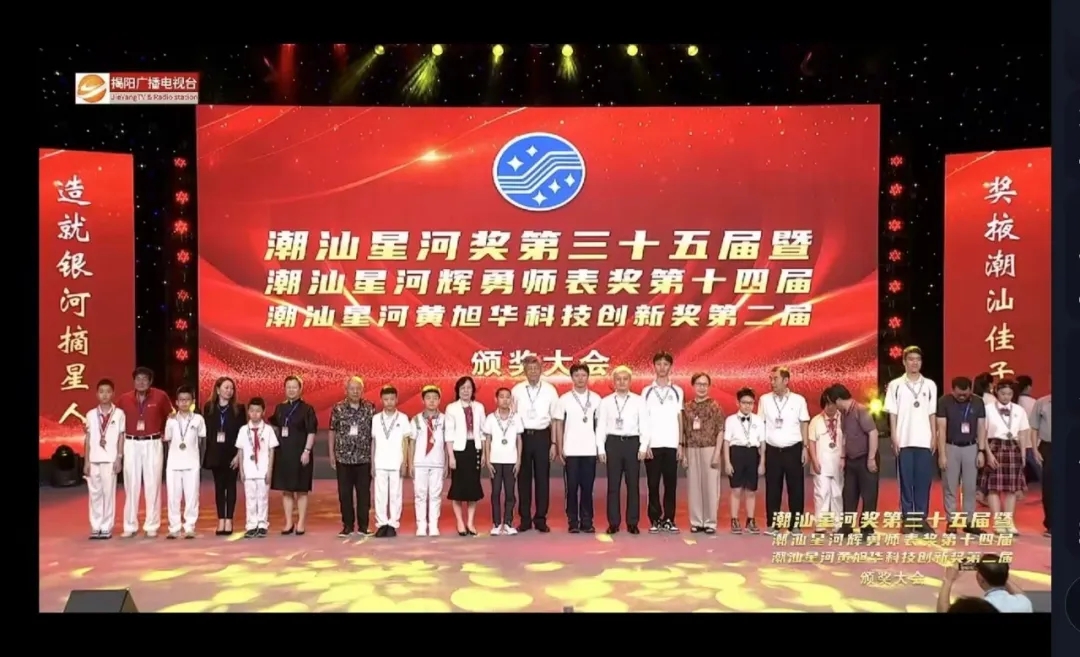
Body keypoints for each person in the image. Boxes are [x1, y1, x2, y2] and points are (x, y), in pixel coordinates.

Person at [884, 346, 938, 533]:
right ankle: (907, 519)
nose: (915, 363)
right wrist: (894, 436)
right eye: (911, 359)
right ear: (904, 362)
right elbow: (892, 413)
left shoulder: (930, 385)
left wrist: (934, 436)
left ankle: (921, 519)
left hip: (924, 439)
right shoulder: (895, 385)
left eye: (918, 359)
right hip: (904, 439)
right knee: (906, 482)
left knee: (923, 482)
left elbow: (932, 412)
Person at [116, 366, 173, 538]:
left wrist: (166, 435)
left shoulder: (160, 396)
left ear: (150, 381)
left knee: (153, 484)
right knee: (131, 484)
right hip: (131, 442)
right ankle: (130, 525)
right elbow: (115, 420)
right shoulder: (124, 399)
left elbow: (170, 417)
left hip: (152, 442)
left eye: (144, 379)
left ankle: (151, 525)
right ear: (134, 381)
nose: (141, 382)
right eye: (138, 379)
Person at [981, 379, 1038, 535]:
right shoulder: (988, 409)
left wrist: (1023, 454)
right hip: (994, 446)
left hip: (1013, 448)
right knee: (993, 488)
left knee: (1012, 489)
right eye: (1003, 393)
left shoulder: (1019, 410)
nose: (1006, 397)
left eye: (1009, 394)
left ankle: (1008, 522)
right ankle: (998, 523)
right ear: (996, 392)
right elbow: (982, 434)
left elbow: (1023, 432)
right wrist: (988, 454)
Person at [510, 355, 560, 533]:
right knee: (523, 479)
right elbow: (511, 417)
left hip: (542, 436)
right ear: (524, 371)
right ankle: (524, 519)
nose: (533, 372)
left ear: (541, 370)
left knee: (542, 478)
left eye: (535, 368)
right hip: (522, 436)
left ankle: (540, 519)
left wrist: (554, 443)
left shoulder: (550, 390)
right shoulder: (516, 390)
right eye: (529, 369)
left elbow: (555, 419)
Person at [759, 366, 810, 535]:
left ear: (786, 380)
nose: (772, 382)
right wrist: (762, 452)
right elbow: (761, 425)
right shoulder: (764, 400)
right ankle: (773, 525)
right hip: (772, 449)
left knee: (796, 488)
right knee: (773, 488)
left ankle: (795, 525)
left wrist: (805, 448)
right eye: (771, 379)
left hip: (793, 449)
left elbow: (804, 423)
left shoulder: (799, 400)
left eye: (775, 379)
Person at [598, 366, 649, 534]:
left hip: (632, 443)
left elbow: (645, 425)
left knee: (633, 485)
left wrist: (643, 446)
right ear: (613, 382)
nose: (621, 382)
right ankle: (613, 522)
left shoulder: (639, 401)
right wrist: (601, 448)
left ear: (630, 381)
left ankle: (632, 522)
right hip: (613, 443)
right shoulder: (605, 402)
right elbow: (601, 426)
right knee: (613, 485)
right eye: (618, 379)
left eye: (625, 379)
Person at [935, 377, 987, 535]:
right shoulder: (944, 401)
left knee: (970, 487)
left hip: (971, 447)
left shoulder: (978, 402)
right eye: (959, 394)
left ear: (970, 390)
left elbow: (981, 427)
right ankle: (951, 521)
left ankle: (969, 521)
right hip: (950, 447)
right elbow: (941, 429)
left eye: (966, 393)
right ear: (953, 390)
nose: (962, 396)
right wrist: (942, 454)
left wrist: (981, 451)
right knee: (950, 486)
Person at [554, 363, 602, 533]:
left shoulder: (596, 399)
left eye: (583, 375)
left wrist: (599, 448)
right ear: (572, 378)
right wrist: (560, 447)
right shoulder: (564, 399)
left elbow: (600, 425)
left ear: (588, 377)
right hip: (571, 450)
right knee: (572, 488)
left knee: (588, 488)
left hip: (589, 450)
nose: (580, 379)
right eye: (577, 375)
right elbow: (558, 424)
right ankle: (573, 521)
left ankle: (587, 521)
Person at [828, 384, 880, 537]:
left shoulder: (860, 410)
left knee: (868, 495)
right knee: (849, 494)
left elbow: (873, 433)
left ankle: (867, 529)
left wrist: (871, 458)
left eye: (832, 402)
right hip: (851, 459)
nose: (833, 406)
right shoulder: (844, 414)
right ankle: (847, 527)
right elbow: (845, 436)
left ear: (838, 400)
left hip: (866, 457)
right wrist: (843, 456)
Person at [641, 351, 684, 533]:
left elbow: (680, 417)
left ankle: (669, 518)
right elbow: (643, 419)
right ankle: (655, 518)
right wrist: (645, 444)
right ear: (654, 366)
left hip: (671, 444)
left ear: (670, 367)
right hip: (653, 445)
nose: (662, 367)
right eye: (659, 364)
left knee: (670, 484)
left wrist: (680, 443)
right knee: (652, 484)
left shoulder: (677, 391)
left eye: (665, 364)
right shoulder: (646, 391)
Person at [269, 375, 318, 535]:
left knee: (301, 489)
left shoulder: (307, 409)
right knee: (286, 490)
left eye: (294, 387)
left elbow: (311, 432)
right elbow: (275, 427)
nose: (291, 390)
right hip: (283, 453)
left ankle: (301, 522)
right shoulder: (280, 408)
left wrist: (307, 451)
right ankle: (288, 522)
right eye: (288, 387)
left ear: (300, 389)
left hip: (301, 453)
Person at [328, 376, 375, 537]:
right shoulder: (338, 408)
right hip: (343, 458)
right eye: (352, 388)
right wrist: (331, 453)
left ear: (362, 390)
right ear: (346, 390)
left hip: (364, 458)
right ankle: (347, 525)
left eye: (358, 389)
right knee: (345, 494)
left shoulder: (370, 407)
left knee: (364, 494)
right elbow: (332, 430)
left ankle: (363, 526)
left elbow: (374, 434)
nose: (355, 391)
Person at [683, 373, 725, 534]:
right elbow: (684, 431)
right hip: (692, 449)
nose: (702, 387)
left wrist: (717, 453)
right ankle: (696, 521)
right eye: (699, 384)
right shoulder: (687, 407)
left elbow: (720, 430)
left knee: (710, 487)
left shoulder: (715, 406)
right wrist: (684, 453)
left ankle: (710, 522)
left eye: (705, 384)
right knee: (694, 487)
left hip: (710, 448)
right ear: (693, 386)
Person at [83, 379, 125, 540]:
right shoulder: (90, 414)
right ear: (97, 394)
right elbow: (88, 439)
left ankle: (106, 526)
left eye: (108, 391)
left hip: (110, 460)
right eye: (101, 392)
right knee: (95, 494)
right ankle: (96, 526)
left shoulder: (119, 414)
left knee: (108, 494)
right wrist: (86, 461)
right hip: (94, 459)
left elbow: (121, 437)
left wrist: (119, 458)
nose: (105, 395)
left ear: (113, 393)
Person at [163, 386, 206, 539]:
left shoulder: (198, 419)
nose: (184, 403)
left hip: (192, 463)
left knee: (192, 496)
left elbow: (201, 441)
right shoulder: (171, 420)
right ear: (176, 402)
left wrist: (198, 460)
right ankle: (174, 527)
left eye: (187, 400)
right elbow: (168, 441)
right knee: (173, 497)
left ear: (193, 401)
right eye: (181, 400)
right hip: (174, 464)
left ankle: (189, 526)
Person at [202, 377, 243, 536]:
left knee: (231, 486)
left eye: (231, 388)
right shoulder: (209, 408)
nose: (229, 391)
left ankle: (229, 520)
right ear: (218, 390)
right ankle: (221, 519)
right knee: (219, 487)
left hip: (232, 453)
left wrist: (238, 455)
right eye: (226, 388)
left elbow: (242, 433)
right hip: (216, 453)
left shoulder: (239, 409)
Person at [445, 376, 486, 535]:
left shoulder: (479, 407)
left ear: (473, 390)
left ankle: (470, 522)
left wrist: (483, 453)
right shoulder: (451, 408)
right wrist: (451, 456)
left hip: (474, 449)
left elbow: (482, 432)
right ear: (458, 390)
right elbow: (449, 434)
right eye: (462, 388)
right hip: (459, 451)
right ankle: (460, 522)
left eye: (469, 388)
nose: (466, 391)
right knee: (458, 488)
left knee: (472, 488)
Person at [722, 387, 764, 535]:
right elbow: (726, 442)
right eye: (744, 403)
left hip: (752, 453)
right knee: (736, 489)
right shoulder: (730, 420)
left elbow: (762, 443)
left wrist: (762, 462)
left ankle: (750, 520)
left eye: (750, 403)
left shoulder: (758, 420)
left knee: (751, 490)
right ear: (738, 403)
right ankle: (734, 519)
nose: (747, 406)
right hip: (736, 453)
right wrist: (727, 462)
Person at [484, 387, 525, 535]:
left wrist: (518, 460)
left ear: (511, 400)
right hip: (495, 460)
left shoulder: (516, 418)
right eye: (502, 397)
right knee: (495, 492)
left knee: (510, 493)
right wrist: (487, 460)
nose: (505, 400)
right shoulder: (490, 418)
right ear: (496, 399)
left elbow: (519, 440)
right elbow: (487, 440)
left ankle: (508, 522)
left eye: (508, 397)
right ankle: (496, 524)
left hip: (511, 460)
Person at [371, 385, 410, 538]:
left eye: (392, 399)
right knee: (380, 495)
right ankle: (381, 523)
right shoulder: (376, 419)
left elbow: (406, 441)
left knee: (395, 495)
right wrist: (372, 463)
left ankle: (393, 523)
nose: (389, 402)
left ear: (396, 400)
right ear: (381, 400)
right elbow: (374, 441)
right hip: (380, 462)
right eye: (386, 399)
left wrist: (405, 462)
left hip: (396, 462)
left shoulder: (403, 418)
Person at [236, 397, 278, 538]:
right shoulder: (243, 430)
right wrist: (241, 471)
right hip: (248, 470)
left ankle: (262, 524)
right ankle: (251, 525)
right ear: (248, 412)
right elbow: (240, 450)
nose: (254, 414)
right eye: (252, 411)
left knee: (263, 498)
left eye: (258, 411)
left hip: (263, 469)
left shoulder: (268, 430)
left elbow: (272, 451)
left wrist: (270, 470)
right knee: (250, 499)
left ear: (263, 412)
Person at [410, 385, 447, 536]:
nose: (432, 401)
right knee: (420, 495)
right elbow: (412, 442)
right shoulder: (416, 419)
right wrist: (410, 463)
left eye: (435, 398)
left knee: (435, 495)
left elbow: (447, 443)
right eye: (428, 398)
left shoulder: (445, 419)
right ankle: (421, 525)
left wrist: (446, 463)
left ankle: (433, 525)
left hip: (438, 462)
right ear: (423, 400)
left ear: (439, 400)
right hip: (420, 462)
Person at [935, 557, 1033, 613]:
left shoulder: (980, 608)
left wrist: (948, 580)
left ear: (981, 579)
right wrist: (1000, 573)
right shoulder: (1023, 602)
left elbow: (944, 611)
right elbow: (1021, 595)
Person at [808, 391, 844, 532]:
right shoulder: (816, 421)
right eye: (827, 404)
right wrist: (814, 460)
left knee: (837, 494)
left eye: (832, 403)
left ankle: (837, 525)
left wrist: (844, 458)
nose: (830, 407)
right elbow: (811, 442)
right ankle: (821, 525)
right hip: (821, 462)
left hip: (838, 463)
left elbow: (847, 440)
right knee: (821, 493)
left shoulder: (843, 418)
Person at [1029, 394, 1051, 537]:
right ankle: (1051, 525)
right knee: (1049, 487)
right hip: (1048, 447)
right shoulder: (1041, 403)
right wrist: (1035, 450)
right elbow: (1034, 428)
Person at [972, 372, 995, 507]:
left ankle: (977, 492)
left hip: (973, 435)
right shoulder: (990, 399)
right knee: (987, 466)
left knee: (977, 466)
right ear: (990, 384)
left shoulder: (973, 398)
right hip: (988, 435)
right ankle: (981, 492)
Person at [1014, 375, 1041, 483]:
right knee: (1040, 468)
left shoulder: (1014, 402)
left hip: (1016, 441)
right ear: (1028, 387)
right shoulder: (1034, 402)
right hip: (1031, 441)